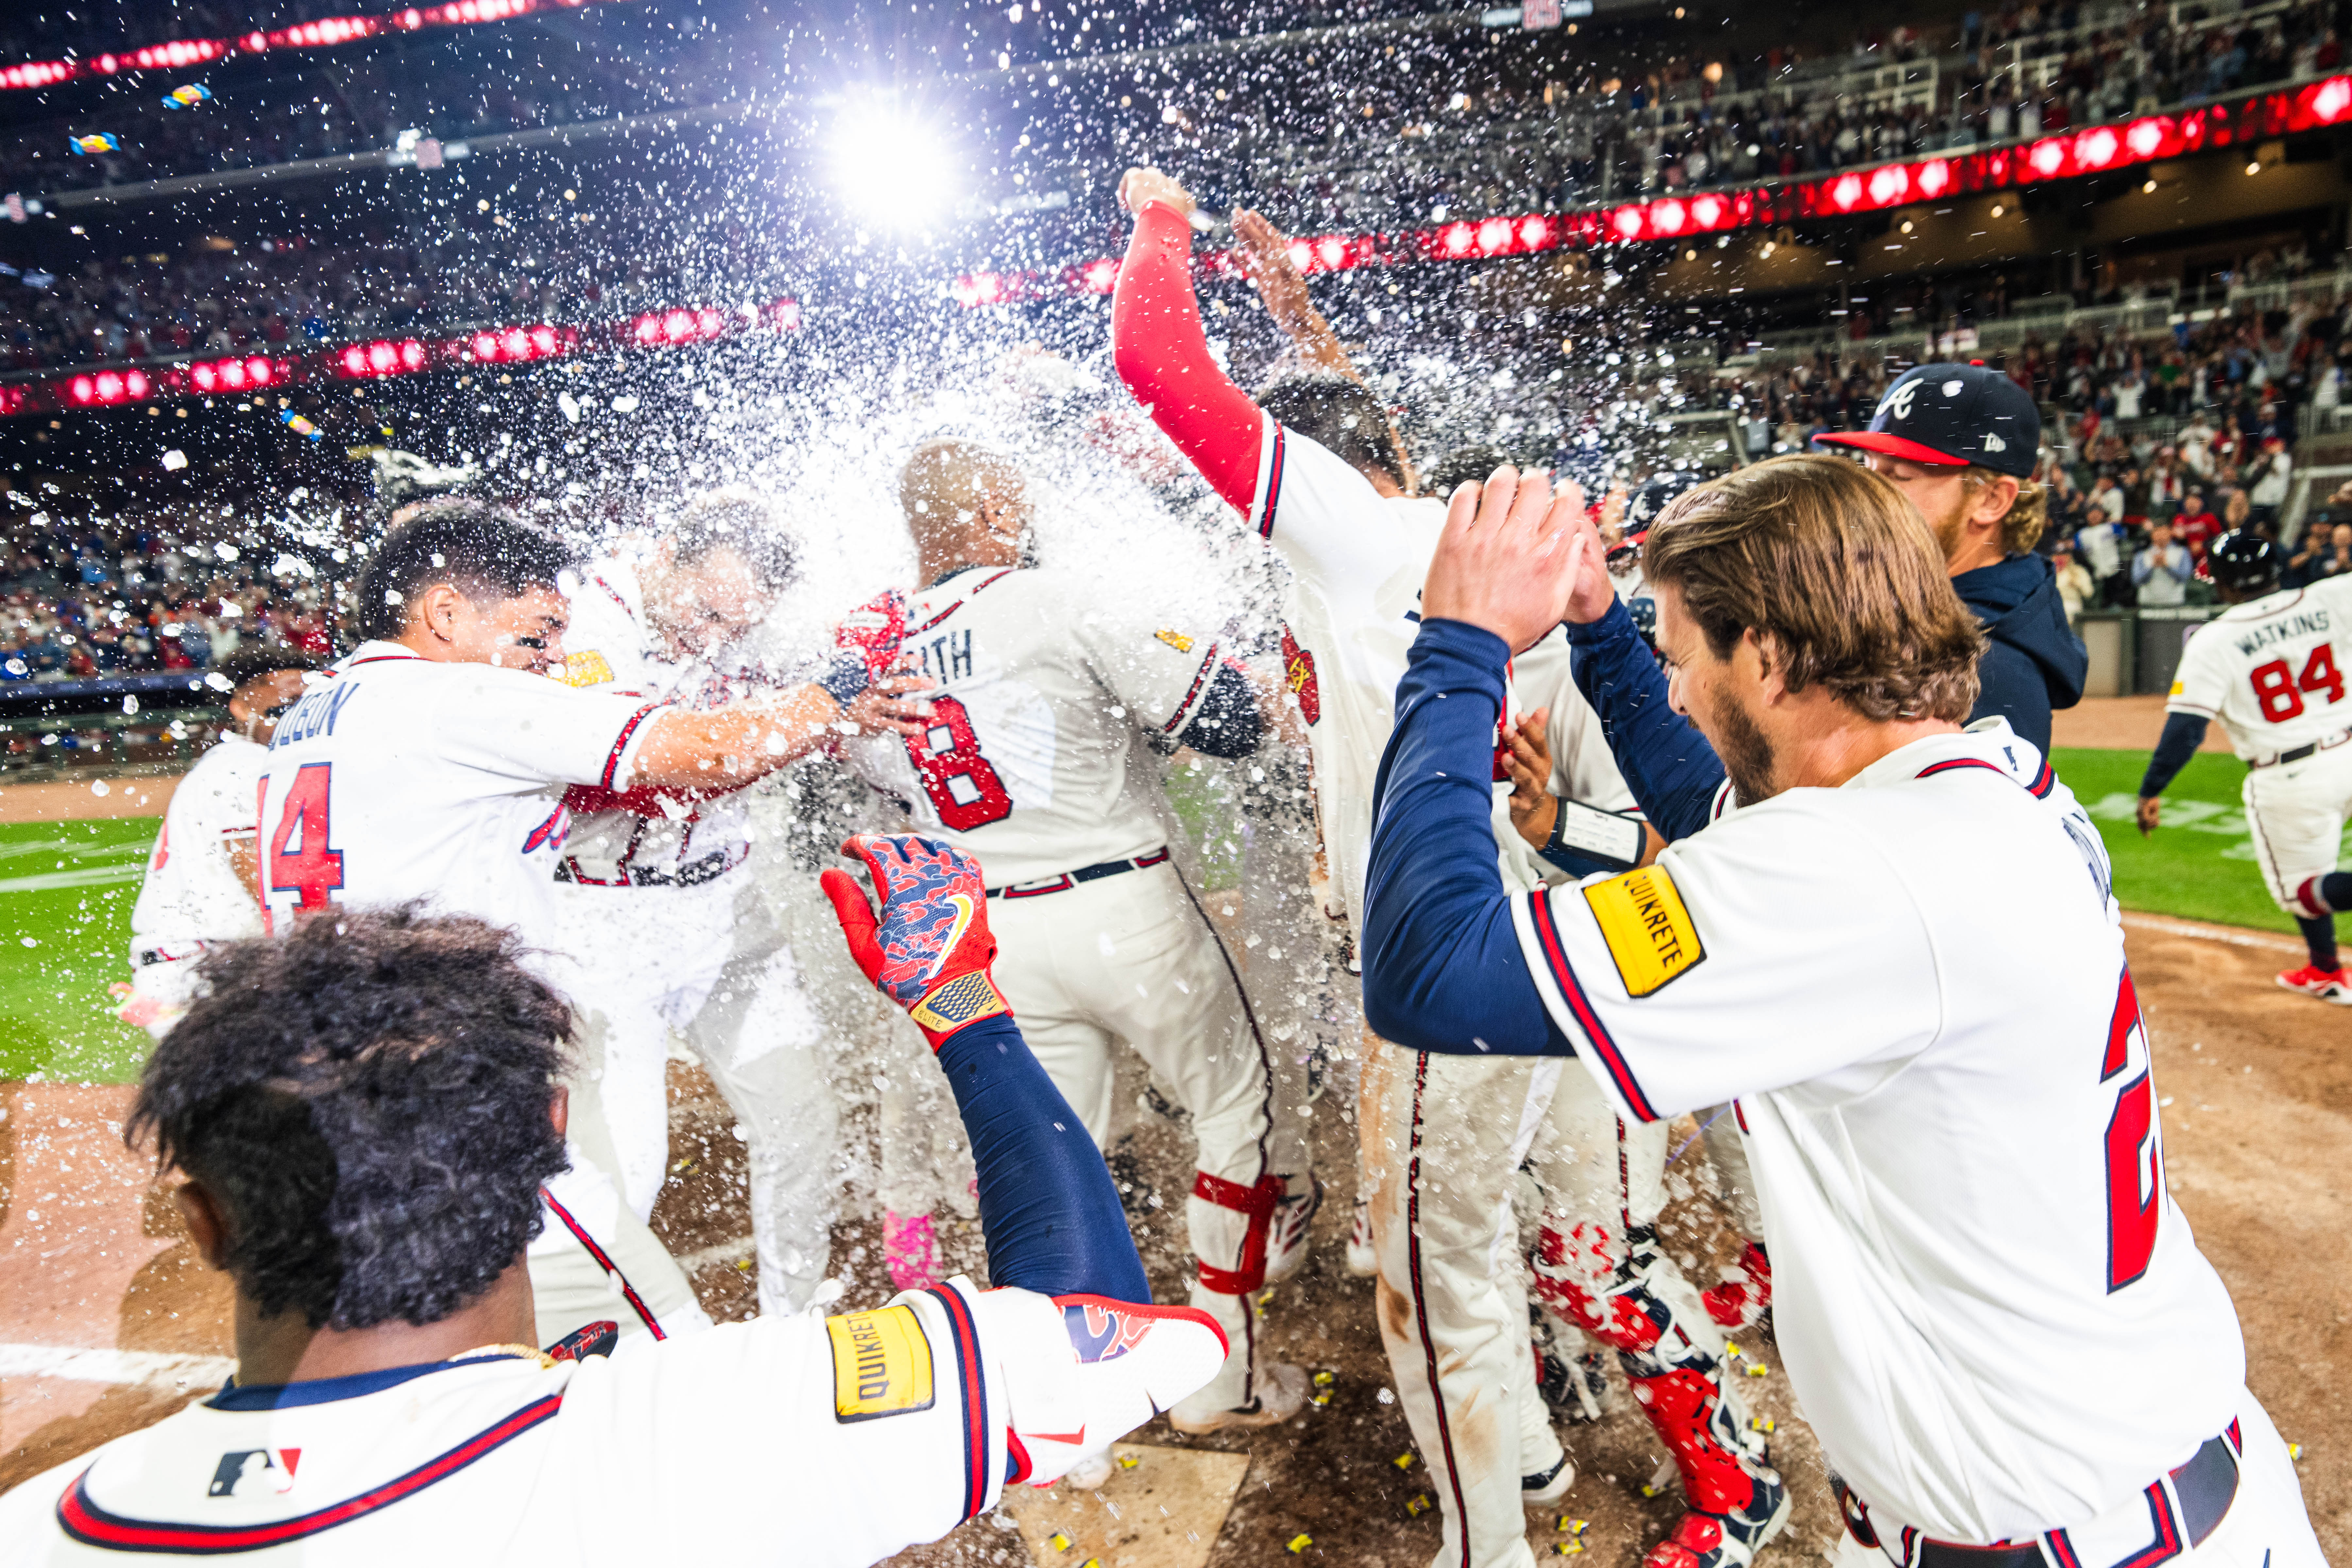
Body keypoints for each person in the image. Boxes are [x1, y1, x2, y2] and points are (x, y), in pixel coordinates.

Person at [1363, 456, 2324, 1568]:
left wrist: (1460, 641)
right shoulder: (1970, 783)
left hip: (2073, 1539)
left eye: (1680, 654)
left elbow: (1428, 967)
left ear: (1767, 655)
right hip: (2123, 1486)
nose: (1670, 689)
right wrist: (1598, 627)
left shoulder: (1857, 873)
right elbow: (1708, 806)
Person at [1111, 167, 1778, 1568]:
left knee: (1439, 1279)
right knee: (1569, 1250)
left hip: (1458, 966)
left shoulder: (1349, 546)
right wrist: (1299, 323)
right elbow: (1362, 448)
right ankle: (1593, 1459)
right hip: (1590, 953)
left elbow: (1154, 366)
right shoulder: (1444, 531)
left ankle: (1494, 1548)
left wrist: (1158, 217)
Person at [0, 845, 1228, 1565]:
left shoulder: (36, 1528)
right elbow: (1096, 1328)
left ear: (203, 1219)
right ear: (548, 1152)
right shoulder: (690, 1442)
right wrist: (962, 1007)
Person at [251, 499, 925, 1350]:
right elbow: (699, 754)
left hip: (359, 1064)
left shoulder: (329, 701)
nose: (554, 660)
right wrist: (831, 693)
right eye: (537, 638)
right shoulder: (461, 697)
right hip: (454, 1079)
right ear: (446, 612)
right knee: (659, 1337)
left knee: (429, 1313)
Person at [838, 435, 1313, 1448]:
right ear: (993, 514)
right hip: (1124, 904)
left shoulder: (868, 643)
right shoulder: (1055, 593)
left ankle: (1069, 1419)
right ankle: (1215, 1372)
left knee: (1059, 1159)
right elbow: (1228, 718)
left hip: (990, 928)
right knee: (1237, 1108)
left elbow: (871, 782)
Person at [548, 488, 843, 1318]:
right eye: (706, 609)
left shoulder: (754, 624)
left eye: (736, 625)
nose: (713, 637)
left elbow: (829, 710)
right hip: (598, 923)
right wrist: (818, 713)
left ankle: (792, 1330)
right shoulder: (584, 616)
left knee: (801, 1123)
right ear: (666, 551)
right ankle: (593, 1349)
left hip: (725, 907)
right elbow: (641, 779)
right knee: (623, 1169)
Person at [1814, 362, 2086, 755]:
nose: (1868, 496)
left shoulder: (1990, 668)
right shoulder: (1933, 615)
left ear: (1992, 500)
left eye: (1899, 477)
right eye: (1870, 473)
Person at [2138, 530, 2352, 1003]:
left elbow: (2186, 730)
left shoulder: (2213, 640)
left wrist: (2151, 789)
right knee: (2312, 873)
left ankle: (2326, 969)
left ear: (2222, 584)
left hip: (2292, 776)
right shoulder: (2332, 595)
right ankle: (2324, 970)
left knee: (2301, 892)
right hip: (2347, 747)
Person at [114, 649, 316, 1039]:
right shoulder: (244, 765)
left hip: (195, 961)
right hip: (201, 966)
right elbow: (256, 870)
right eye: (282, 707)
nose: (294, 716)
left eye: (306, 705)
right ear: (241, 709)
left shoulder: (240, 762)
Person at [2134, 521, 2193, 607]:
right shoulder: (2142, 555)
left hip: (2174, 602)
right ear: (2152, 535)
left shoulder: (2182, 552)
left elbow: (2185, 577)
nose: (2161, 536)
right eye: (2158, 532)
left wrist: (2167, 566)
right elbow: (2136, 580)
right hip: (2148, 602)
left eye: (2164, 533)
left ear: (2170, 533)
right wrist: (2152, 566)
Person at [2051, 542, 2093, 627]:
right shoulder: (2047, 574)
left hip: (2072, 606)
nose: (2060, 558)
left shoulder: (2078, 571)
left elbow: (2089, 593)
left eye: (2064, 555)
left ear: (2069, 556)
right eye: (2057, 555)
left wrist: (2077, 583)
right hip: (2052, 609)